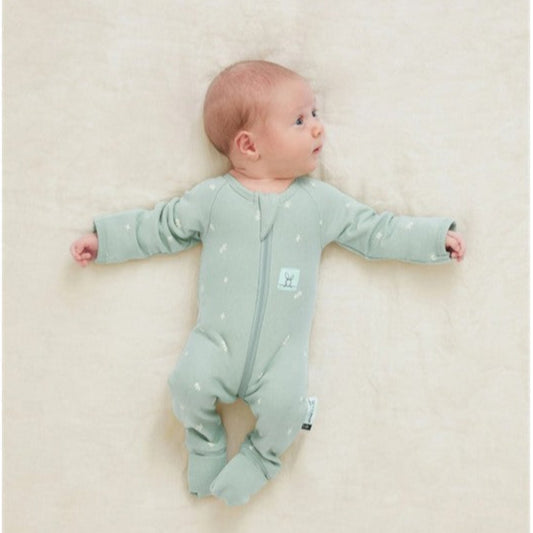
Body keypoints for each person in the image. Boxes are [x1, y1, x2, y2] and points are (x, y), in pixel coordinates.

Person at [70, 60, 465, 505]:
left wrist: (433, 239)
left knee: (288, 411)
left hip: (281, 357)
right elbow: (158, 227)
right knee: (185, 386)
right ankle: (205, 443)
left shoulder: (319, 203)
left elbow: (375, 230)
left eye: (314, 114)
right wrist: (104, 241)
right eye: (299, 120)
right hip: (215, 343)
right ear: (249, 145)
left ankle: (260, 459)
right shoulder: (211, 199)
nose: (317, 127)